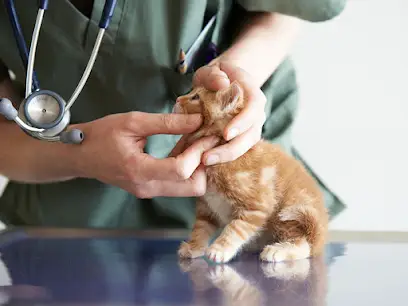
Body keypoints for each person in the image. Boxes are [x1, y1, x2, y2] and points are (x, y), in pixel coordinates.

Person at [0, 0, 346, 229]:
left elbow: (284, 9)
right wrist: (79, 157)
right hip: (71, 220)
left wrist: (238, 73)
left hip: (241, 201)